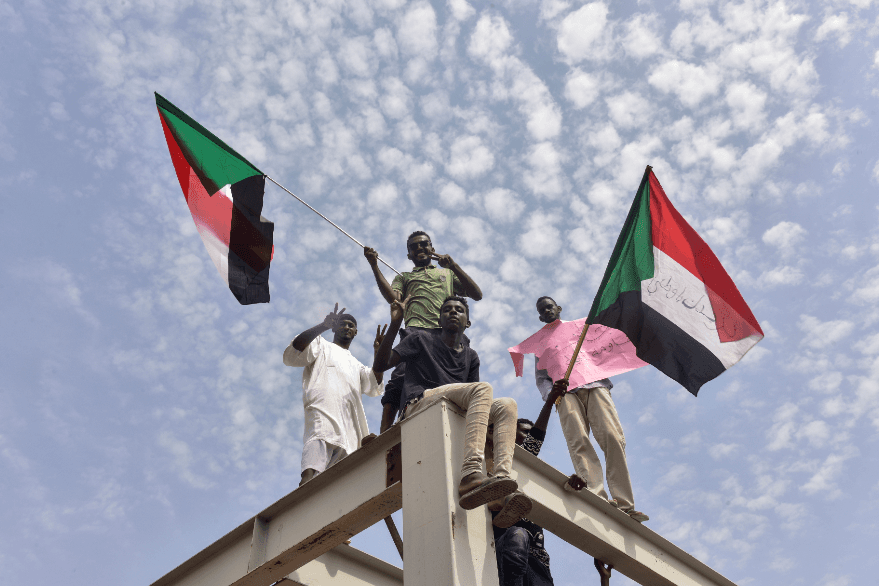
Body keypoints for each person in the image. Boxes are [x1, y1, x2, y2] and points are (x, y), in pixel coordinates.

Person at [373, 295, 528, 520]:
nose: (453, 312)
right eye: (447, 310)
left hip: (452, 406)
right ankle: (471, 474)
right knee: (482, 389)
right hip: (419, 405)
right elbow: (381, 365)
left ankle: (500, 484)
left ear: (468, 322)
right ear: (440, 319)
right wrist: (396, 322)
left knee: (507, 405)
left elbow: (477, 402)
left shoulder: (471, 356)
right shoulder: (420, 339)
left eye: (459, 310)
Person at [534, 296, 648, 522]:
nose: (547, 311)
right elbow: (541, 378)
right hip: (565, 394)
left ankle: (624, 503)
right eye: (542, 310)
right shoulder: (541, 345)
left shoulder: (581, 329)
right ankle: (596, 497)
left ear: (558, 308)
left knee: (612, 436)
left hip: (595, 385)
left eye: (550, 306)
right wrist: (552, 395)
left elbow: (603, 349)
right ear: (540, 316)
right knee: (579, 441)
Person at [363, 231, 483, 430]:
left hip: (447, 335)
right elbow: (393, 298)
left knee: (459, 380)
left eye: (424, 244)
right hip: (416, 334)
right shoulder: (405, 277)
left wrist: (453, 266)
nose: (419, 248)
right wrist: (374, 265)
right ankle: (384, 432)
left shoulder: (447, 274)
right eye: (414, 247)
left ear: (432, 249)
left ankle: (464, 425)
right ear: (408, 255)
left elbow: (476, 294)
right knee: (399, 378)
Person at [283, 303, 386, 485]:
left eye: (351, 325)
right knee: (317, 447)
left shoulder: (356, 365)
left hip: (350, 427)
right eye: (342, 323)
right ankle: (303, 491)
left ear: (355, 333)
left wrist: (378, 352)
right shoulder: (321, 344)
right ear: (334, 328)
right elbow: (296, 350)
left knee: (342, 480)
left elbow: (374, 384)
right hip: (323, 410)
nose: (347, 327)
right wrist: (323, 326)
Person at [490, 380, 567, 586]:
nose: (527, 437)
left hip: (538, 562)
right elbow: (535, 441)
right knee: (518, 536)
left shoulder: (534, 481)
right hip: (505, 550)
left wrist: (572, 485)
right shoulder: (496, 467)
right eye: (522, 432)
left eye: (528, 433)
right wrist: (550, 401)